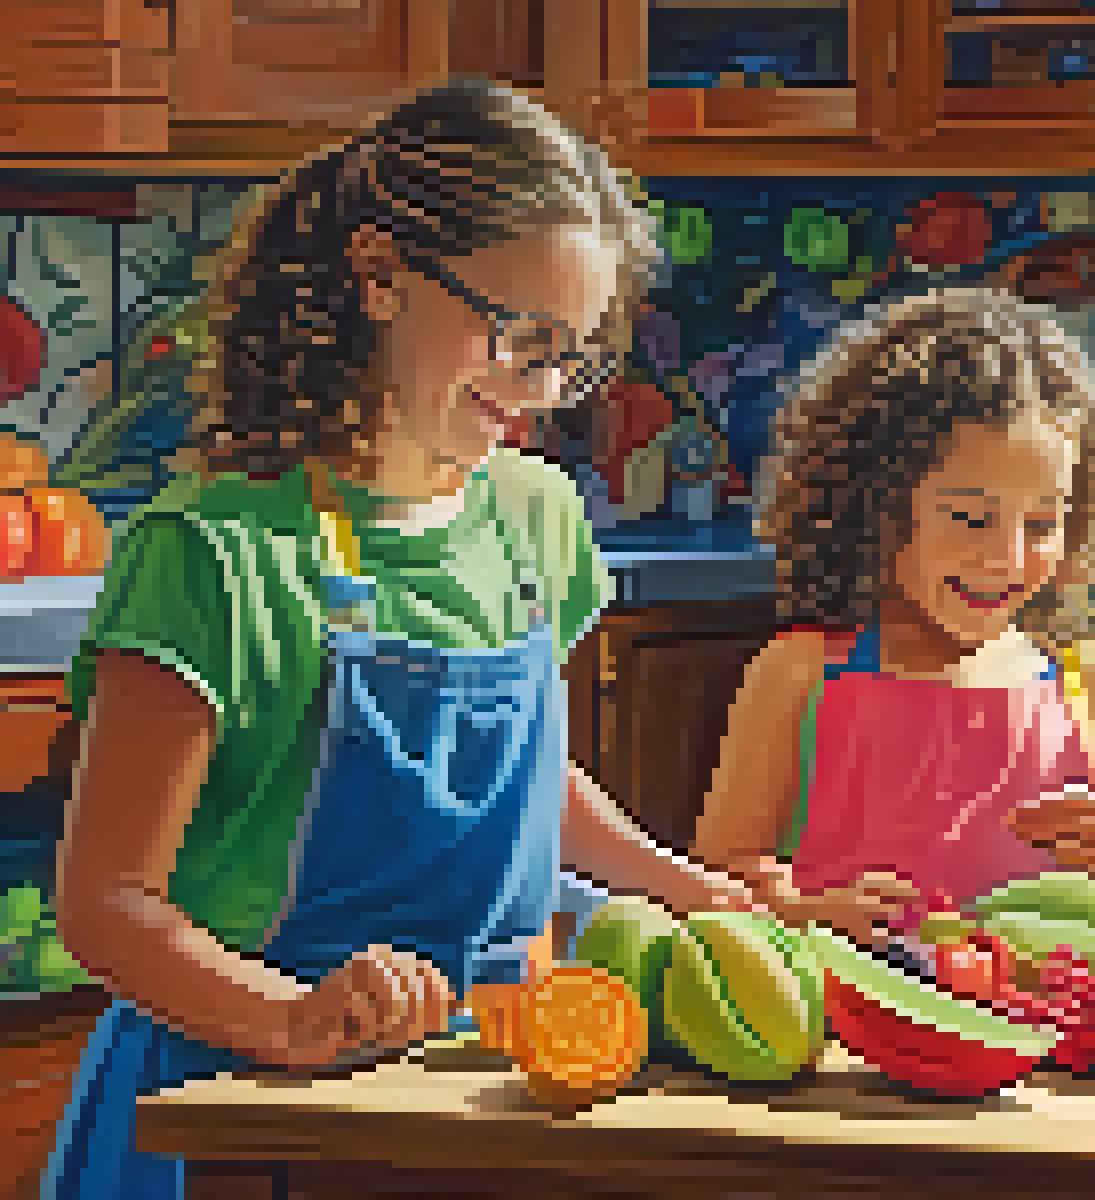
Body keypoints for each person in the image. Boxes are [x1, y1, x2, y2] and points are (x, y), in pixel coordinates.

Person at [45, 78, 756, 1200]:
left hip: (476, 1089)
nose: (541, 390)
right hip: (238, 1103)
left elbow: (530, 786)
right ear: (379, 277)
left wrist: (694, 890)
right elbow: (106, 908)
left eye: (570, 355)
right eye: (520, 337)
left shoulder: (534, 519)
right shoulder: (215, 555)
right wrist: (291, 1018)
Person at [694, 289, 1095, 942]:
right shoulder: (800, 674)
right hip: (844, 1007)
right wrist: (805, 913)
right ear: (877, 504)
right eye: (971, 518)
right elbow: (715, 886)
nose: (1007, 557)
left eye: (1042, 524)